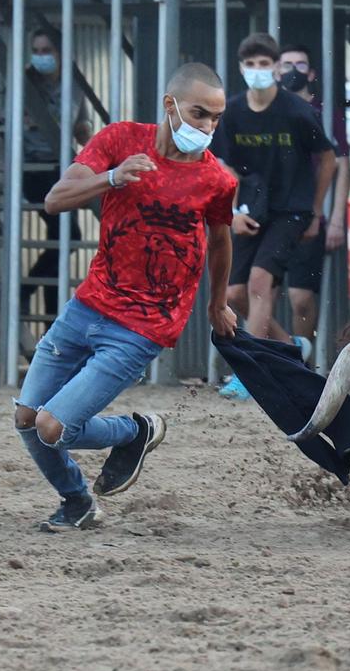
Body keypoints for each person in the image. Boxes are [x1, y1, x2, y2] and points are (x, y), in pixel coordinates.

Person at [16, 61, 237, 532]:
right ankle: (77, 503)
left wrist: (217, 303)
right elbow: (55, 200)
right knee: (26, 417)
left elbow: (221, 240)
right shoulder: (119, 140)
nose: (207, 128)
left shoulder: (217, 180)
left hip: (143, 327)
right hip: (88, 305)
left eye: (216, 119)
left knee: (53, 427)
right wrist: (112, 178)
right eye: (200, 114)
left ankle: (135, 430)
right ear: (170, 105)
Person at [209, 34, 336, 394]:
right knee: (233, 295)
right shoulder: (231, 111)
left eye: (265, 65)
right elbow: (222, 165)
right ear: (240, 68)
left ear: (277, 69)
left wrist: (315, 210)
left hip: (291, 210)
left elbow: (328, 159)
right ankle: (290, 352)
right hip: (251, 209)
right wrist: (231, 210)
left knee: (261, 284)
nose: (258, 71)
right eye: (251, 65)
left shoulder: (297, 111)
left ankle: (253, 375)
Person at [276, 44, 350, 361]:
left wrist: (336, 219)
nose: (294, 70)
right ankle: (267, 361)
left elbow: (342, 164)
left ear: (312, 73)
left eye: (300, 64)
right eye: (287, 64)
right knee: (248, 293)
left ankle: (299, 364)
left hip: (309, 218)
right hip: (268, 217)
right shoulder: (263, 111)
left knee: (301, 299)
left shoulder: (324, 113)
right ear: (276, 71)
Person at [17, 26, 93, 327]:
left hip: (62, 168)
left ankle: (49, 321)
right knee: (68, 238)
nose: (40, 57)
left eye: (46, 51)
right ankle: (25, 290)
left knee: (58, 241)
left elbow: (81, 126)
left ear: (61, 54)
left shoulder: (73, 85)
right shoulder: (25, 84)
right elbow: (14, 120)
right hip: (34, 168)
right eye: (36, 51)